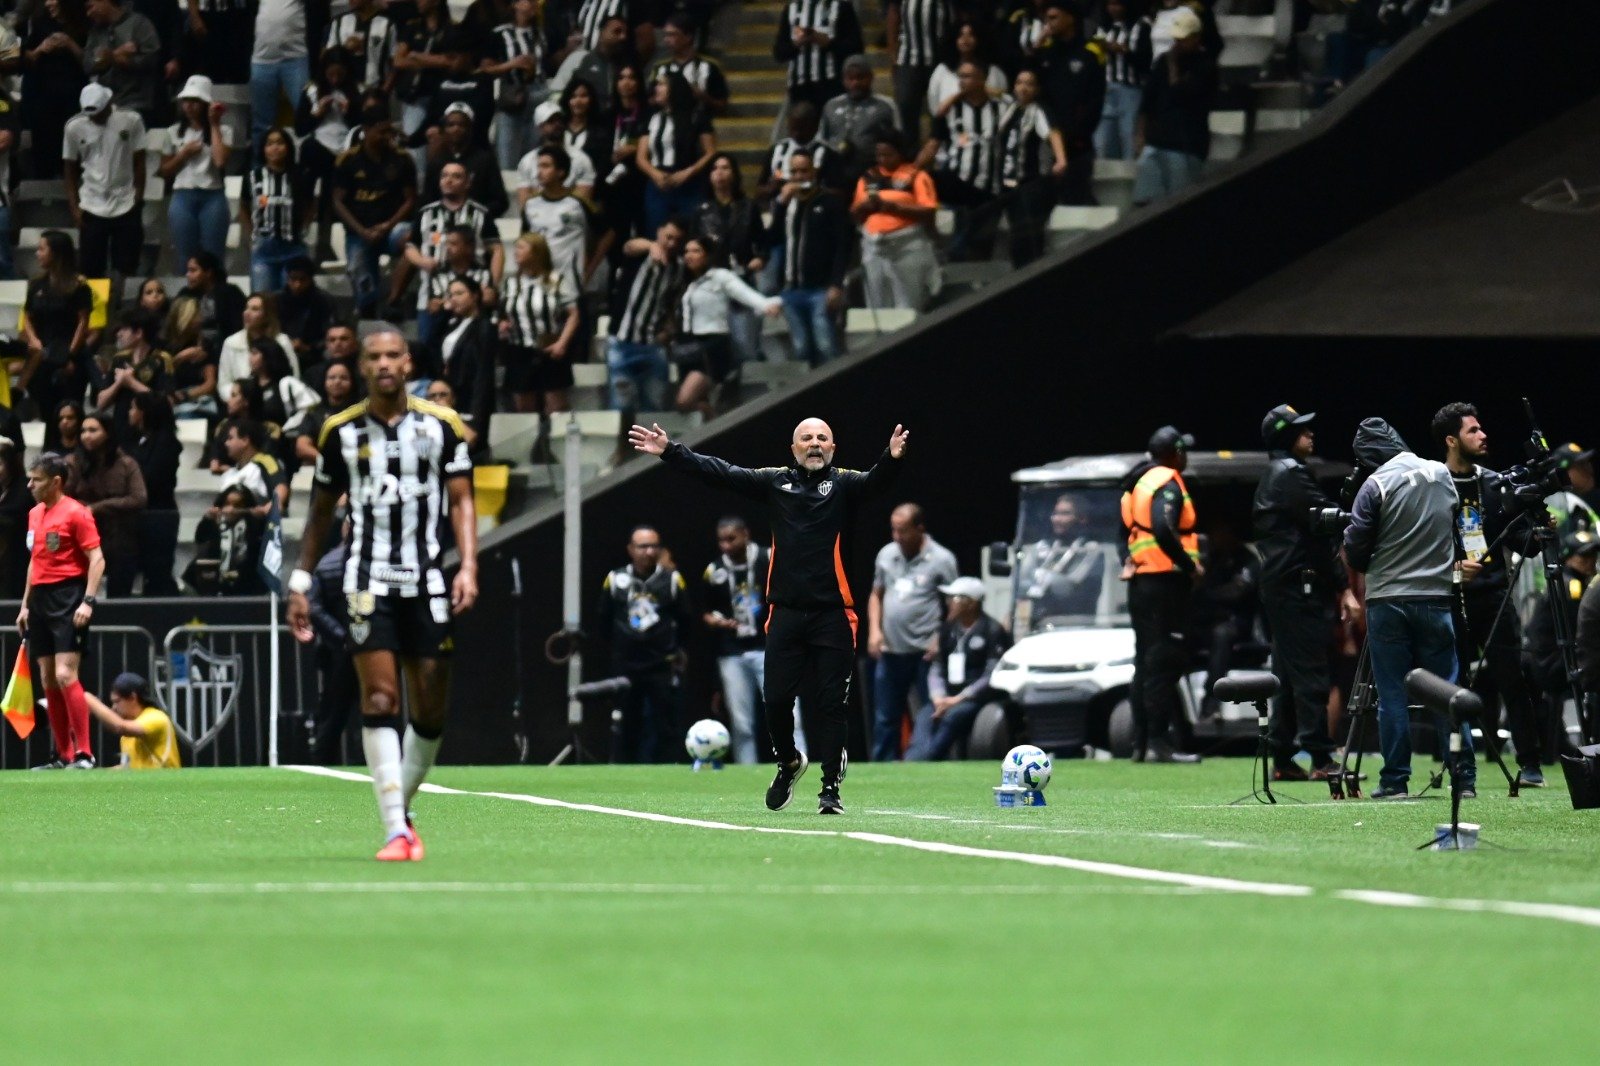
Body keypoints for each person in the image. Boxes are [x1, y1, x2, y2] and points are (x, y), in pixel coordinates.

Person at [631, 417, 909, 813]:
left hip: (834, 614)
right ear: (793, 449)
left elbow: (876, 482)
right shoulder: (775, 482)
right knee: (776, 700)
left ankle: (830, 789)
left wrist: (892, 458)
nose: (815, 443)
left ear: (833, 448)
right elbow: (722, 473)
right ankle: (789, 762)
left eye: (823, 438)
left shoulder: (845, 484)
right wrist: (671, 452)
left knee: (832, 703)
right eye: (806, 438)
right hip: (786, 614)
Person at [287, 327, 479, 861]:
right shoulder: (339, 431)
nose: (385, 364)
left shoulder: (442, 426)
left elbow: (462, 501)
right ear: (363, 366)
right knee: (379, 699)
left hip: (428, 578)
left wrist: (468, 566)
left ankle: (402, 810)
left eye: (394, 355)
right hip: (366, 579)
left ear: (408, 362)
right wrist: (301, 581)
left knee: (431, 708)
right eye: (375, 357)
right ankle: (396, 829)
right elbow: (319, 512)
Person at [1342, 417, 1471, 800]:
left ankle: (1395, 781)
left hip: (1387, 601)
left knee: (1392, 693)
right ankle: (1464, 779)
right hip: (1436, 597)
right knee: (1447, 691)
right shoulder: (1441, 473)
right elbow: (1455, 528)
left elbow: (1356, 551)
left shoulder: (1376, 483)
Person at [1431, 402, 1547, 786]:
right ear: (1451, 440)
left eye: (1481, 428)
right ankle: (1459, 766)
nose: (1483, 436)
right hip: (1450, 597)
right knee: (1453, 684)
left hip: (1495, 596)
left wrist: (1539, 530)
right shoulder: (1433, 485)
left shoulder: (1496, 484)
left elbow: (1523, 542)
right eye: (1473, 430)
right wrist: (1453, 570)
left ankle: (1530, 764)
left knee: (1513, 679)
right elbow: (1422, 546)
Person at [1252, 404, 1345, 780]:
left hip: (1281, 585)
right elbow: (1325, 526)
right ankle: (1321, 758)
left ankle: (1282, 758)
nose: (1310, 434)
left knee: (1288, 674)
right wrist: (1342, 583)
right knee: (1310, 672)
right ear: (1286, 436)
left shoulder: (1275, 473)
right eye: (1301, 430)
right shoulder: (1291, 473)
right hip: (1298, 585)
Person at [17, 452, 106, 771]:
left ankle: (85, 753)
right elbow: (35, 561)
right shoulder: (34, 514)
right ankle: (63, 754)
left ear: (56, 482)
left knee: (65, 673)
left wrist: (88, 601)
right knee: (47, 678)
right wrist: (25, 604)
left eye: (37, 480)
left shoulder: (77, 513)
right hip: (40, 599)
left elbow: (97, 559)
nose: (30, 485)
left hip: (68, 595)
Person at [1119, 425, 1203, 763]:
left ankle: (1141, 743)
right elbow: (1163, 529)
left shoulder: (1136, 483)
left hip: (1141, 583)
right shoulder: (1167, 482)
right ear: (1175, 454)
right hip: (1165, 584)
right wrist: (1189, 565)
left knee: (1144, 662)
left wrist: (1128, 561)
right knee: (1165, 661)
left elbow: (1122, 534)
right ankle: (1159, 742)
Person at [700, 515, 807, 765]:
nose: (726, 545)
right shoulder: (714, 571)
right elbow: (705, 611)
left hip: (770, 648)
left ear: (745, 534)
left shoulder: (767, 559)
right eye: (721, 541)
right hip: (732, 652)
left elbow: (793, 593)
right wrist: (716, 622)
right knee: (742, 723)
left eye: (731, 539)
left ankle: (798, 762)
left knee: (789, 712)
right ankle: (747, 771)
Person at [868, 502, 959, 761]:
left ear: (920, 528)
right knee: (885, 716)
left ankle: (929, 760)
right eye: (893, 530)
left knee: (930, 711)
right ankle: (883, 768)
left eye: (903, 530)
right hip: (891, 650)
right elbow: (876, 595)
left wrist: (940, 638)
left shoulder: (941, 559)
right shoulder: (887, 554)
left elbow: (955, 604)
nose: (897, 536)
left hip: (925, 653)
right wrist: (874, 631)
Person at [596, 525, 692, 763]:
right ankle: (625, 771)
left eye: (654, 546)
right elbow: (603, 619)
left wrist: (675, 649)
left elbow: (685, 619)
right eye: (643, 546)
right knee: (627, 724)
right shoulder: (615, 579)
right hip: (627, 666)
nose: (649, 551)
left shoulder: (671, 580)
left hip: (661, 665)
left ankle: (669, 770)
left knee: (666, 725)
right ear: (631, 549)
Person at [670, 235, 782, 420]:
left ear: (707, 255)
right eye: (686, 251)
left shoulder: (719, 276)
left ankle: (716, 418)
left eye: (696, 251)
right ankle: (714, 421)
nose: (689, 255)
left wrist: (766, 305)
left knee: (685, 400)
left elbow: (744, 293)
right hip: (688, 346)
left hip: (712, 344)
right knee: (694, 402)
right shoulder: (685, 281)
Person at [400, 162, 504, 338]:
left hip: (473, 288)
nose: (449, 180)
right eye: (444, 176)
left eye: (456, 176)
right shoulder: (425, 213)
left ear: (467, 182)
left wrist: (492, 286)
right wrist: (422, 261)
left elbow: (497, 250)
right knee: (429, 345)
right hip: (432, 293)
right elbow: (410, 247)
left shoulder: (481, 213)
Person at [333, 102, 418, 317]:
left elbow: (410, 200)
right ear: (366, 130)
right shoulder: (348, 160)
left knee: (412, 239)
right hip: (359, 232)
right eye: (381, 132)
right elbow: (338, 201)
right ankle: (367, 310)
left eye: (389, 131)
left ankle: (394, 300)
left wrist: (387, 226)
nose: (386, 136)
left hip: (392, 228)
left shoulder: (402, 159)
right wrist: (362, 231)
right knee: (361, 281)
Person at [770, 149, 851, 366]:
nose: (799, 177)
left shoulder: (830, 202)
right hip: (791, 288)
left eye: (804, 171)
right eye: (794, 172)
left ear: (813, 172)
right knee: (801, 348)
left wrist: (836, 284)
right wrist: (781, 203)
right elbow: (772, 238)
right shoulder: (786, 204)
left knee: (826, 346)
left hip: (820, 288)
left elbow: (842, 246)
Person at [919, 60, 1004, 262]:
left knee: (980, 242)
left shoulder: (1001, 107)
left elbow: (1014, 100)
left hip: (989, 185)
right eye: (960, 76)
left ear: (982, 79)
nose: (961, 81)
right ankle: (935, 240)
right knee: (924, 184)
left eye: (967, 76)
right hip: (958, 178)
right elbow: (933, 144)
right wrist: (912, 170)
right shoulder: (950, 110)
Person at [62, 83, 146, 280]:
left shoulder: (131, 120)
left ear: (109, 103)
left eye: (99, 113)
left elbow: (140, 161)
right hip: (91, 204)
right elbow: (69, 169)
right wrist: (74, 207)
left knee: (127, 266)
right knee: (90, 269)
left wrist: (138, 198)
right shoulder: (74, 127)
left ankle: (123, 299)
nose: (95, 118)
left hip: (126, 202)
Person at [1132, 6, 1214, 206]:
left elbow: (1180, 92)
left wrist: (1173, 66)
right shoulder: (1162, 62)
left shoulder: (1205, 66)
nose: (1177, 43)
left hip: (1186, 145)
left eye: (1183, 39)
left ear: (1196, 38)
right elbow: (1147, 101)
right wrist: (1140, 136)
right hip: (1156, 142)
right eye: (1176, 39)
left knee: (1179, 203)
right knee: (1145, 201)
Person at [852, 131, 939, 312]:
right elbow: (854, 213)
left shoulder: (916, 175)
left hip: (907, 245)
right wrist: (866, 206)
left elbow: (929, 210)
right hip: (874, 246)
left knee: (907, 303)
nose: (883, 159)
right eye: (879, 155)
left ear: (900, 153)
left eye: (888, 155)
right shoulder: (868, 177)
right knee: (877, 303)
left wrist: (896, 208)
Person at [692, 153, 767, 366]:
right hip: (711, 285)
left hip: (741, 279)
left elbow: (762, 242)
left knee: (745, 344)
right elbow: (692, 246)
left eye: (725, 168)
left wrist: (759, 258)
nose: (720, 173)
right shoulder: (701, 210)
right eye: (715, 168)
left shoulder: (748, 207)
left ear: (734, 174)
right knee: (715, 352)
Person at [926, 576, 1010, 760]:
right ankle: (915, 760)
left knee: (953, 716)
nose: (949, 603)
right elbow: (937, 668)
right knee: (925, 717)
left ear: (972, 603)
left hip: (978, 698)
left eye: (954, 598)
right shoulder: (947, 630)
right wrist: (938, 697)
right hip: (948, 696)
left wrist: (958, 699)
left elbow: (991, 675)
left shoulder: (992, 630)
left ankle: (928, 761)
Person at [607, 216, 685, 413]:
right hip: (622, 342)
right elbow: (629, 246)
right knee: (622, 406)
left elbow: (672, 304)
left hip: (652, 345)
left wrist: (668, 331)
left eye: (677, 240)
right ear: (659, 232)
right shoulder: (641, 254)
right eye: (668, 237)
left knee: (654, 406)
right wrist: (651, 245)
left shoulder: (678, 267)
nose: (671, 243)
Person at [66, 410, 146, 597]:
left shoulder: (126, 464)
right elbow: (63, 497)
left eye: (93, 430)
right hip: (82, 537)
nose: (86, 436)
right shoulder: (73, 462)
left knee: (119, 594)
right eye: (83, 431)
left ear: (108, 433)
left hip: (118, 536)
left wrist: (96, 507)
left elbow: (138, 498)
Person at [500, 232, 580, 416]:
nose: (516, 252)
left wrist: (562, 343)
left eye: (521, 248)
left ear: (536, 252)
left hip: (549, 347)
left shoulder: (555, 280)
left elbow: (574, 315)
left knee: (556, 407)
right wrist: (503, 324)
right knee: (524, 410)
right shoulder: (510, 283)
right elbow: (504, 313)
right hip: (519, 350)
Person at [158, 75, 231, 273]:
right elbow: (165, 171)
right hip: (183, 195)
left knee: (214, 255)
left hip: (213, 194)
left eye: (195, 101)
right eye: (186, 101)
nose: (189, 106)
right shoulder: (173, 132)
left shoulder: (224, 130)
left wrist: (214, 125)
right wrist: (183, 154)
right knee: (184, 254)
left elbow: (220, 161)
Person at [1036, 2, 1107, 206]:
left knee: (1077, 193)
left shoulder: (1090, 51)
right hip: (1048, 136)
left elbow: (1096, 99)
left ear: (1070, 18)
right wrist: (1035, 50)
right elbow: (1034, 88)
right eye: (1046, 19)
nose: (1049, 23)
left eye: (1054, 17)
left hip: (1078, 139)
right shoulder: (1046, 51)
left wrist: (1079, 132)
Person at [996, 67, 1067, 267]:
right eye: (1019, 83)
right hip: (1008, 183)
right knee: (1016, 234)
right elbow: (995, 92)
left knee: (1029, 237)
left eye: (1029, 84)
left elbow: (1053, 133)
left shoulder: (1039, 110)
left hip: (1030, 183)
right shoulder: (1010, 108)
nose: (1023, 88)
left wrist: (1061, 159)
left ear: (1037, 89)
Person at [21, 230, 94, 419]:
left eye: (42, 249)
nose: (37, 253)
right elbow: (28, 316)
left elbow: (83, 322)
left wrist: (69, 355)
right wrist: (34, 340)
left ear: (56, 253)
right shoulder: (36, 285)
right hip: (42, 353)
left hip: (68, 351)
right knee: (46, 410)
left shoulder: (79, 286)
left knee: (70, 410)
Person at [307, 520, 360, 763]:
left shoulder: (328, 562)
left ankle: (323, 764)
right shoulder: (330, 563)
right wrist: (345, 638)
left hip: (340, 650)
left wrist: (341, 637)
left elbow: (315, 608)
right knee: (339, 715)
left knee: (334, 715)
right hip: (346, 651)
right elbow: (314, 608)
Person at [637, 70, 715, 235]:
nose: (657, 88)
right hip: (659, 181)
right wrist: (655, 174)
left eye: (662, 84)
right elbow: (641, 157)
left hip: (689, 182)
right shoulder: (651, 118)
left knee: (690, 231)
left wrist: (688, 172)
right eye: (657, 85)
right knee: (657, 232)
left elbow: (710, 152)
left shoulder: (696, 116)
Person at [20, 0, 90, 181]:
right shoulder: (41, 24)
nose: (48, 4)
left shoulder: (83, 24)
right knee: (44, 146)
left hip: (73, 97)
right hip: (43, 97)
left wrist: (69, 43)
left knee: (71, 144)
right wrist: (41, 49)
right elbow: (26, 59)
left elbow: (90, 64)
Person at [522, 144, 600, 298]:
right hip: (541, 280)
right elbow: (525, 241)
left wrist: (590, 267)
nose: (539, 172)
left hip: (571, 280)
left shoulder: (578, 204)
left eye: (546, 166)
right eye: (538, 166)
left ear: (560, 172)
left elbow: (606, 233)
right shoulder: (531, 205)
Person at [1018, 493, 1104, 624]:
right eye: (1055, 513)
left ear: (1082, 518)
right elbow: (1022, 582)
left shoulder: (1090, 549)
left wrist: (1042, 577)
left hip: (1073, 624)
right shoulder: (1045, 547)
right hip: (1039, 622)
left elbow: (1069, 587)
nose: (1057, 519)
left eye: (1065, 514)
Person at [485, 0, 550, 172]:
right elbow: (486, 68)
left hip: (538, 91)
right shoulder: (500, 33)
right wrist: (512, 64)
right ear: (516, 4)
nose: (533, 5)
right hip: (511, 93)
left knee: (534, 150)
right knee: (507, 151)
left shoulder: (540, 33)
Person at [243, 129, 310, 294]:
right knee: (263, 298)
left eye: (280, 143)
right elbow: (243, 206)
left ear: (288, 147)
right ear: (263, 149)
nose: (275, 147)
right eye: (270, 144)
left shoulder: (300, 175)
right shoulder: (253, 176)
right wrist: (251, 236)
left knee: (293, 298)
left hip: (294, 247)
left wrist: (304, 226)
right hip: (264, 247)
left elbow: (310, 203)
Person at [125, 391, 180, 594]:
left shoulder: (166, 442)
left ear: (144, 412)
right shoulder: (140, 440)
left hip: (159, 514)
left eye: (133, 408)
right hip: (143, 513)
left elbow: (152, 477)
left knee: (158, 572)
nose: (129, 412)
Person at [820, 55, 899, 194]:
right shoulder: (831, 105)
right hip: (836, 175)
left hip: (871, 173)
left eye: (860, 77)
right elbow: (822, 140)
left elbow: (899, 141)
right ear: (843, 80)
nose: (855, 83)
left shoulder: (886, 106)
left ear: (870, 77)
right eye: (850, 78)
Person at [432, 275, 496, 445]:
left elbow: (483, 372)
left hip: (469, 393)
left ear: (475, 296)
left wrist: (478, 412)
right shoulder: (452, 324)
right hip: (451, 390)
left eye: (459, 293)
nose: (454, 299)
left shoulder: (484, 326)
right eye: (451, 295)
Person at [94, 307, 172, 435]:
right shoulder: (119, 359)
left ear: (138, 333)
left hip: (150, 430)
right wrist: (119, 383)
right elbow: (101, 403)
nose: (119, 334)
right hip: (121, 427)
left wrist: (131, 382)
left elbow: (166, 402)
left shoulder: (161, 359)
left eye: (124, 329)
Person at [775, 0, 862, 111]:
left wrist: (828, 43)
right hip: (800, 87)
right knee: (803, 119)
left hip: (832, 85)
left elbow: (856, 48)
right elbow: (779, 53)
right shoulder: (791, 9)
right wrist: (797, 43)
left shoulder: (842, 7)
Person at [1093, 0, 1152, 161]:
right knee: (1102, 143)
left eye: (1117, 4)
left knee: (1130, 140)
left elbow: (1146, 62)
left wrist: (1124, 51)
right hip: (1106, 89)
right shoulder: (1103, 27)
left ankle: (1132, 175)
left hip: (1131, 89)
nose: (1113, 8)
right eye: (1109, 4)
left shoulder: (1142, 25)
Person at [82, 0, 161, 119]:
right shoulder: (95, 31)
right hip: (104, 105)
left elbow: (152, 59)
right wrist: (116, 54)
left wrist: (120, 60)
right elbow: (88, 65)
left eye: (90, 7)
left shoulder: (139, 23)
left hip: (137, 102)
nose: (88, 13)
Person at [85, 671, 180, 768]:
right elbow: (128, 768)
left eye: (117, 701)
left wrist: (89, 699)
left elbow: (120, 727)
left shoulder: (156, 717)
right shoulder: (126, 737)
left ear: (132, 697)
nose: (114, 708)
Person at [885, 0, 951, 137]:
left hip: (940, 59)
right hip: (908, 58)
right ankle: (909, 147)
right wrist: (893, 54)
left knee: (941, 108)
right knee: (905, 106)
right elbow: (894, 13)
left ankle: (940, 144)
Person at [219, 293, 300, 402]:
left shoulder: (282, 341)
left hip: (278, 402)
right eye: (246, 308)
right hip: (241, 403)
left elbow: (294, 378)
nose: (247, 313)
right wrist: (238, 397)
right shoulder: (231, 343)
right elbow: (223, 384)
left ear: (266, 315)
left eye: (255, 309)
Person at [924, 20, 1008, 119]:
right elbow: (935, 107)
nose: (965, 39)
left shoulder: (993, 72)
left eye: (970, 35)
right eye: (961, 35)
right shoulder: (942, 71)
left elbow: (1004, 102)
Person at [648, 14, 729, 116]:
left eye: (672, 35)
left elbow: (722, 105)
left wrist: (702, 97)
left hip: (698, 120)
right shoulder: (660, 67)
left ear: (688, 37)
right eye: (666, 35)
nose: (666, 40)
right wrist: (662, 97)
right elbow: (648, 101)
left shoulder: (710, 66)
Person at [218, 418, 289, 518]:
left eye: (230, 438)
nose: (226, 443)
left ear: (245, 440)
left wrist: (276, 503)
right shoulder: (229, 473)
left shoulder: (265, 461)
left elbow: (280, 485)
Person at [295, 361, 360, 467]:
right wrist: (325, 462)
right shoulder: (314, 413)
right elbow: (302, 446)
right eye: (332, 378)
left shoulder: (361, 411)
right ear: (324, 382)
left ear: (352, 382)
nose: (337, 382)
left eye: (343, 378)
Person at [325, 0, 396, 94]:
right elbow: (326, 59)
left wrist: (383, 92)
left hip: (375, 90)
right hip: (345, 92)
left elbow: (394, 62)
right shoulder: (339, 22)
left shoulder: (386, 24)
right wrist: (345, 49)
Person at [277, 259, 335, 369]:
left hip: (313, 353)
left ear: (310, 279)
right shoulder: (277, 300)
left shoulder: (323, 300)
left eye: (302, 279)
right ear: (288, 279)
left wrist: (309, 347)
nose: (297, 284)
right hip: (281, 350)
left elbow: (331, 332)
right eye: (293, 279)